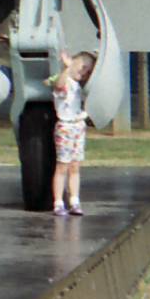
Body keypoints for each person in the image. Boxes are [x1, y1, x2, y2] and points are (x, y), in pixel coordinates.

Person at [51, 49, 96, 217]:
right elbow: (59, 85)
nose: (83, 73)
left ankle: (74, 200)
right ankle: (58, 202)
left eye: (88, 71)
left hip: (78, 126)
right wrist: (66, 68)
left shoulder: (78, 86)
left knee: (75, 166)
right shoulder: (64, 80)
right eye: (83, 67)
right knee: (62, 165)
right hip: (66, 126)